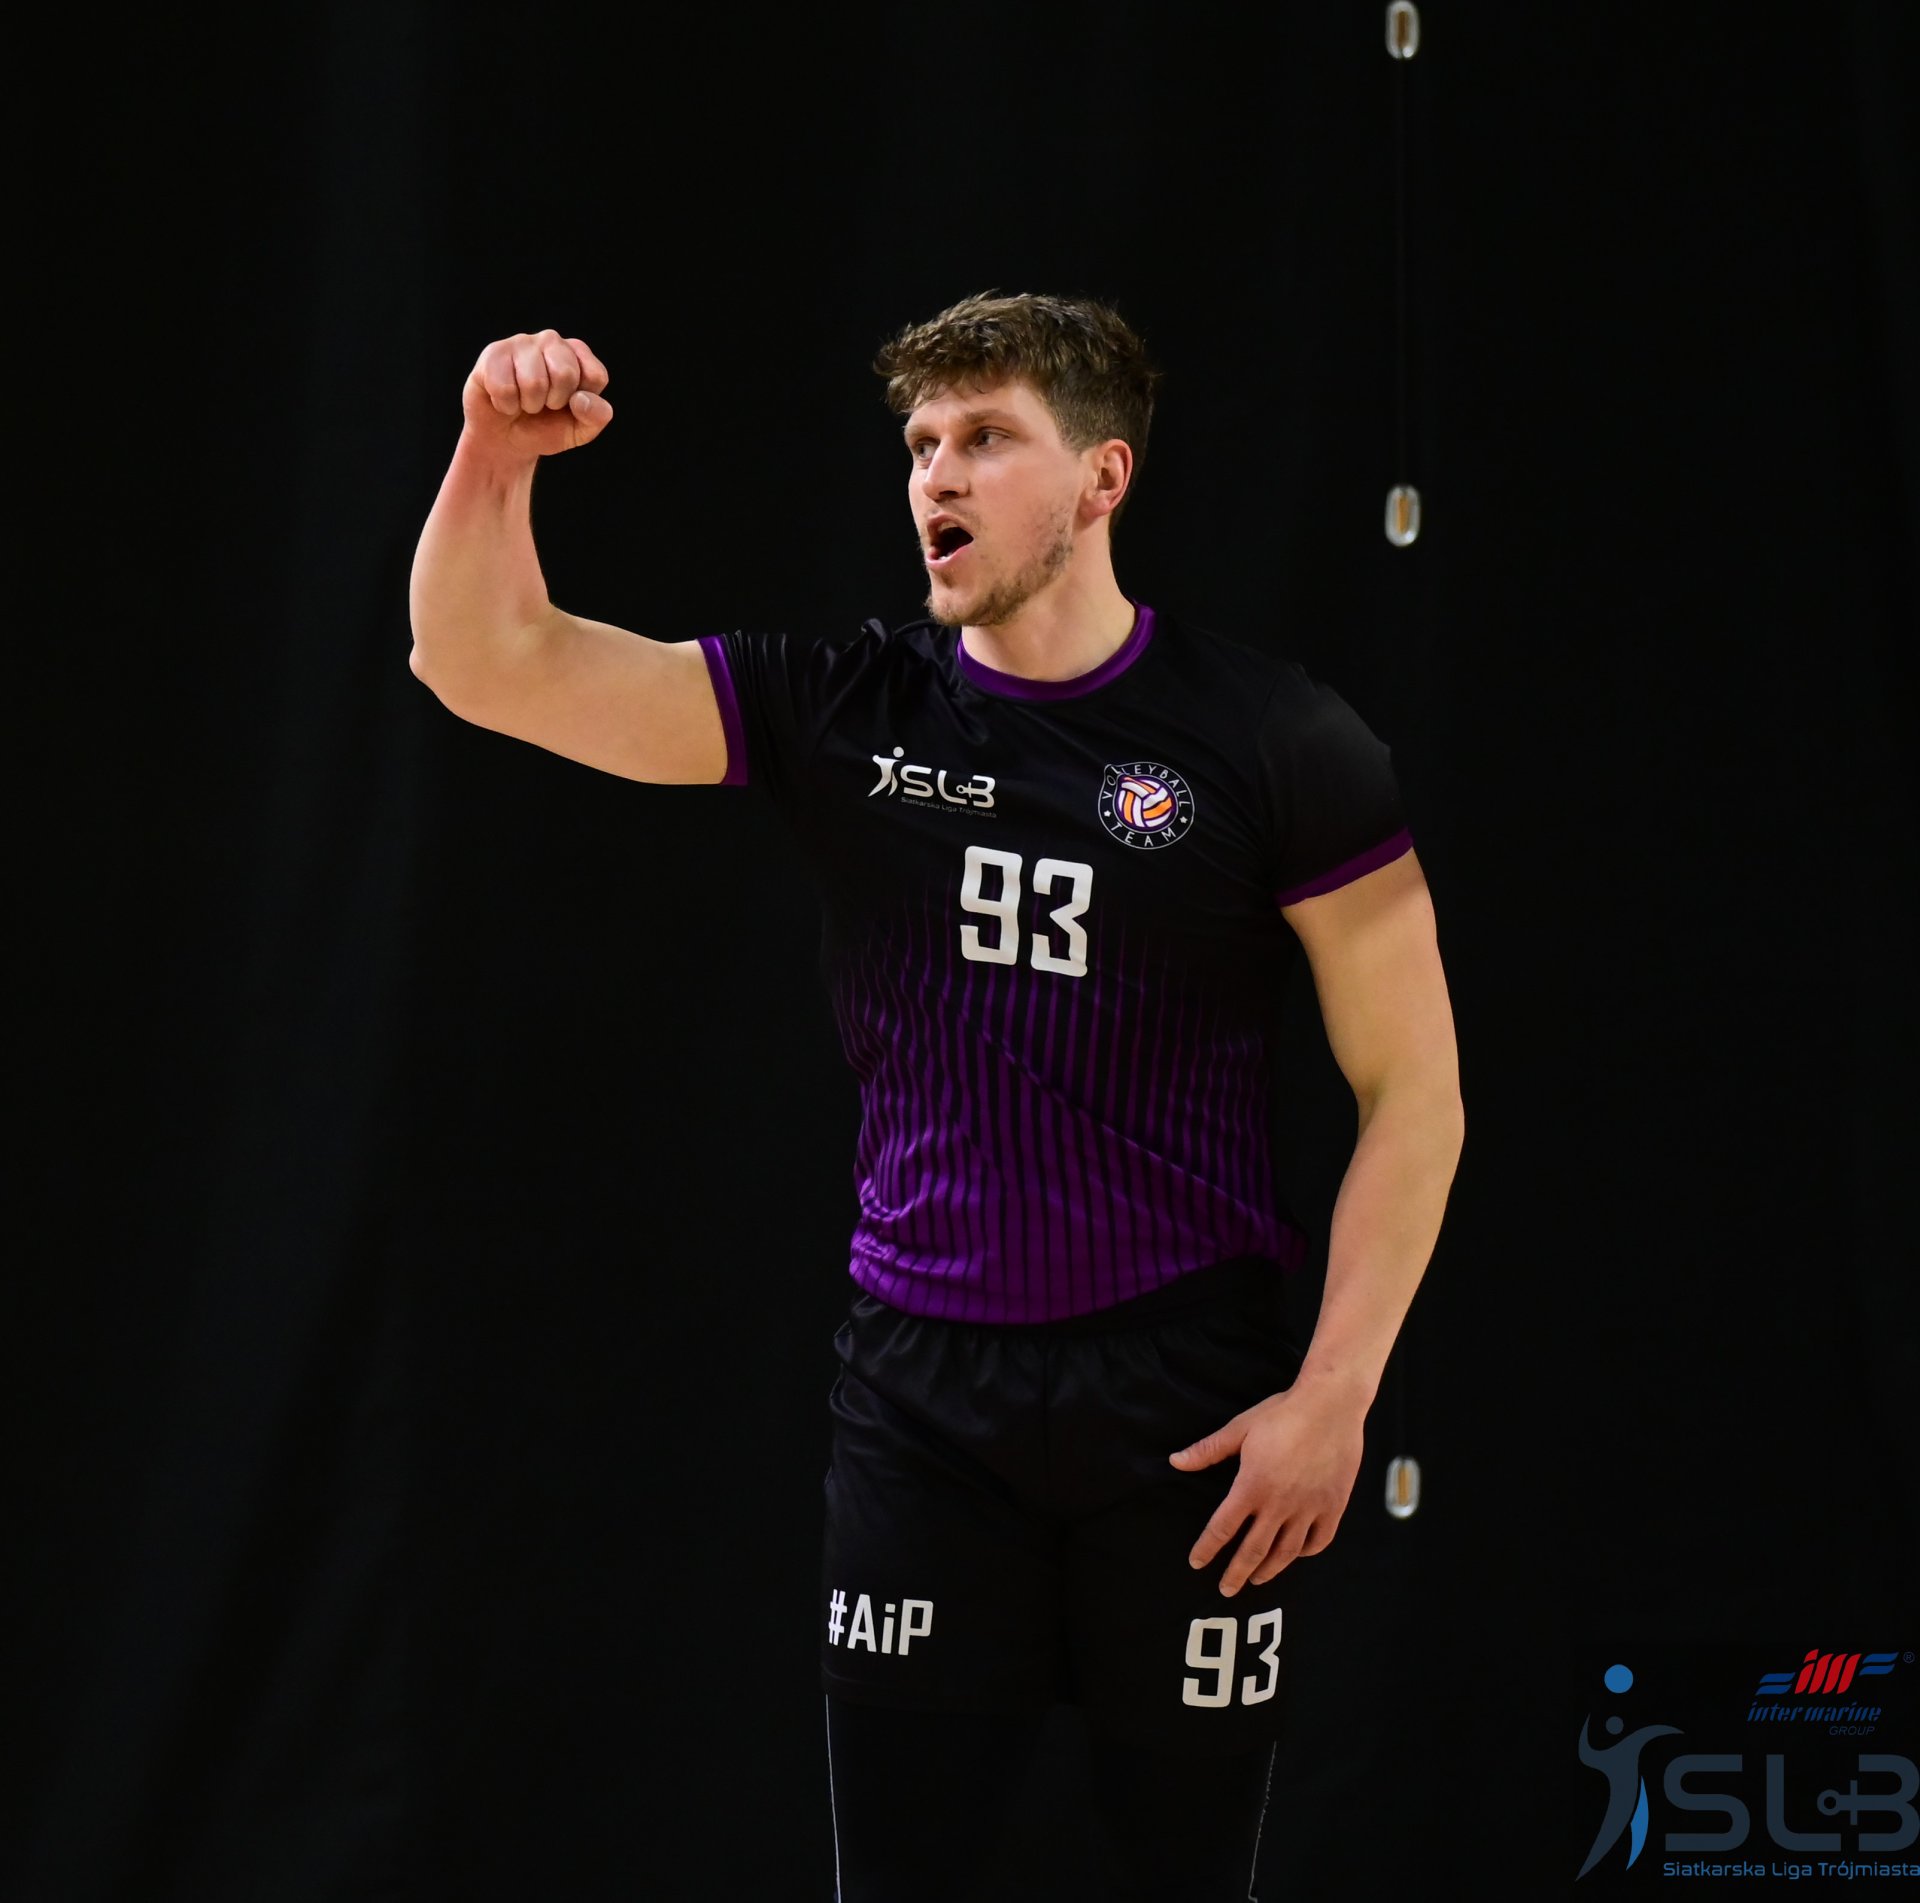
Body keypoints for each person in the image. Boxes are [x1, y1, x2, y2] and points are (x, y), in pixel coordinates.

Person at [409, 290, 1465, 1901]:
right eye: (919, 445)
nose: (936, 477)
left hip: (1185, 1404)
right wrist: (493, 452)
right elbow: (484, 662)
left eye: (985, 438)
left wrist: (1335, 1397)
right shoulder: (851, 709)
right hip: (923, 1404)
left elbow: (1415, 1091)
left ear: (1102, 477)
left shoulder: (1278, 739)